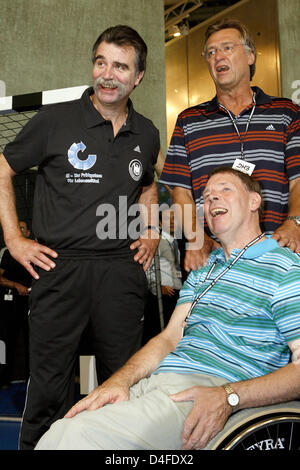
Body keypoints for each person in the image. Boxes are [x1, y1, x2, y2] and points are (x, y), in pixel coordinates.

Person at [35, 167, 300, 451]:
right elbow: (169, 338)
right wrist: (118, 382)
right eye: (206, 196)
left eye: (224, 189)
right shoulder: (204, 271)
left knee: (71, 439)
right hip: (159, 382)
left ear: (254, 202)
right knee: (60, 430)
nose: (211, 200)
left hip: (208, 388)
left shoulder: (284, 267)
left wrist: (229, 396)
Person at [0, 25, 161, 449]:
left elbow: (147, 186)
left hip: (121, 275)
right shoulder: (54, 120)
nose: (108, 74)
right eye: (101, 62)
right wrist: (15, 243)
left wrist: (151, 230)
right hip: (59, 269)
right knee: (49, 389)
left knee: (123, 384)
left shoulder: (146, 132)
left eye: (121, 66)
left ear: (138, 76)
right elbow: (2, 169)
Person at [160, 18, 300, 272]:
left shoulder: (286, 113)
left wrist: (295, 223)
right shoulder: (189, 121)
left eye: (227, 48)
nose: (217, 56)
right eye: (211, 52)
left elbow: (299, 180)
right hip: (213, 258)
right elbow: (180, 190)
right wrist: (196, 239)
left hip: (279, 253)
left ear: (250, 56)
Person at [0, 221, 32, 388]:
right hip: (9, 305)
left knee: (31, 343)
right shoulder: (6, 253)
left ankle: (30, 380)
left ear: (28, 232)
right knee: (6, 342)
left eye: (22, 228)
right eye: (17, 227)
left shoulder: (35, 251)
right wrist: (16, 285)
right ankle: (3, 379)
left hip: (31, 304)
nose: (19, 230)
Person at [143, 209, 182, 343]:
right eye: (167, 219)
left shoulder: (175, 241)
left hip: (175, 295)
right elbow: (146, 267)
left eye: (174, 218)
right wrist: (157, 287)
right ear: (159, 222)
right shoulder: (156, 241)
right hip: (159, 296)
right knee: (158, 336)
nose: (171, 222)